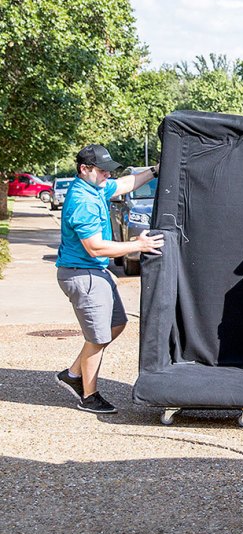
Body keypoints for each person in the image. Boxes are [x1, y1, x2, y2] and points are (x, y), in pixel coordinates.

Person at [53, 145, 164, 414]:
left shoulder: (96, 187)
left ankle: (73, 374)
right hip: (83, 274)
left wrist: (154, 170)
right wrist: (138, 245)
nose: (107, 175)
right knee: (98, 337)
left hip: (95, 272)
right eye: (102, 170)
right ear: (84, 169)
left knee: (116, 324)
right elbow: (95, 247)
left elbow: (125, 184)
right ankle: (89, 396)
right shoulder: (83, 201)